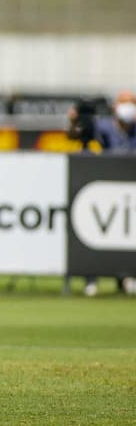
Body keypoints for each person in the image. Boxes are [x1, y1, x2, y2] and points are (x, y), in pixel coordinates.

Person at [67, 93, 136, 296]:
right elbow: (76, 136)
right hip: (101, 185)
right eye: (125, 103)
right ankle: (91, 279)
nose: (128, 107)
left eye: (131, 103)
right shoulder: (103, 126)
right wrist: (74, 122)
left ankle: (127, 276)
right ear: (115, 107)